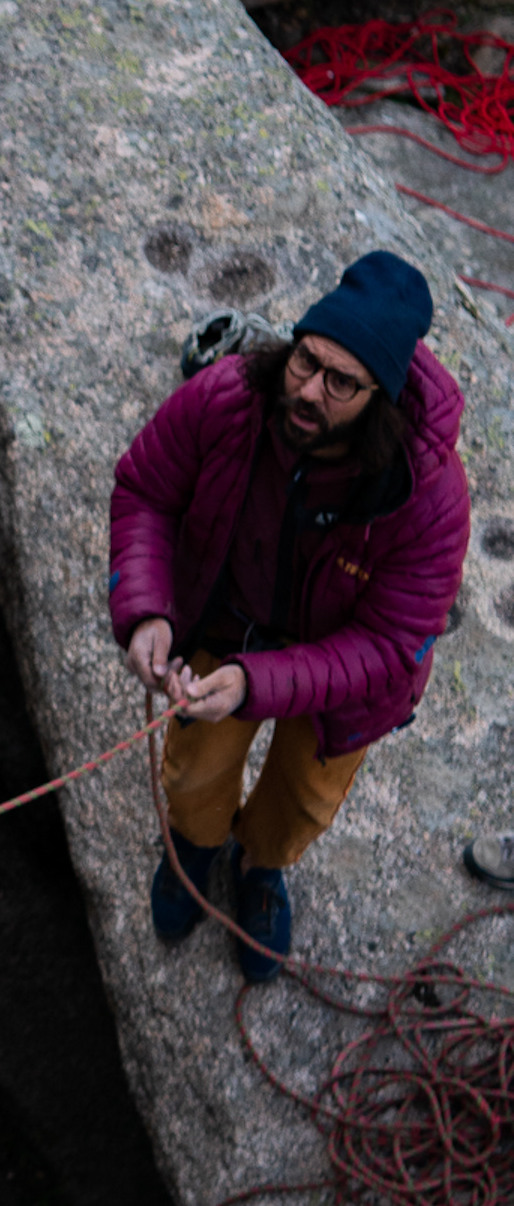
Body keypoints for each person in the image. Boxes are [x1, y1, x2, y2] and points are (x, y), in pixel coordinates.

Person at [109, 253, 470, 981]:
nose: (308, 390)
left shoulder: (428, 498)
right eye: (307, 360)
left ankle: (260, 866)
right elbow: (146, 491)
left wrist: (256, 683)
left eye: (341, 382)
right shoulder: (226, 398)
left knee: (304, 798)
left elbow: (390, 643)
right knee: (194, 771)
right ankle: (196, 848)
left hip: (345, 679)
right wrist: (146, 610)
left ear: (381, 397)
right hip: (225, 625)